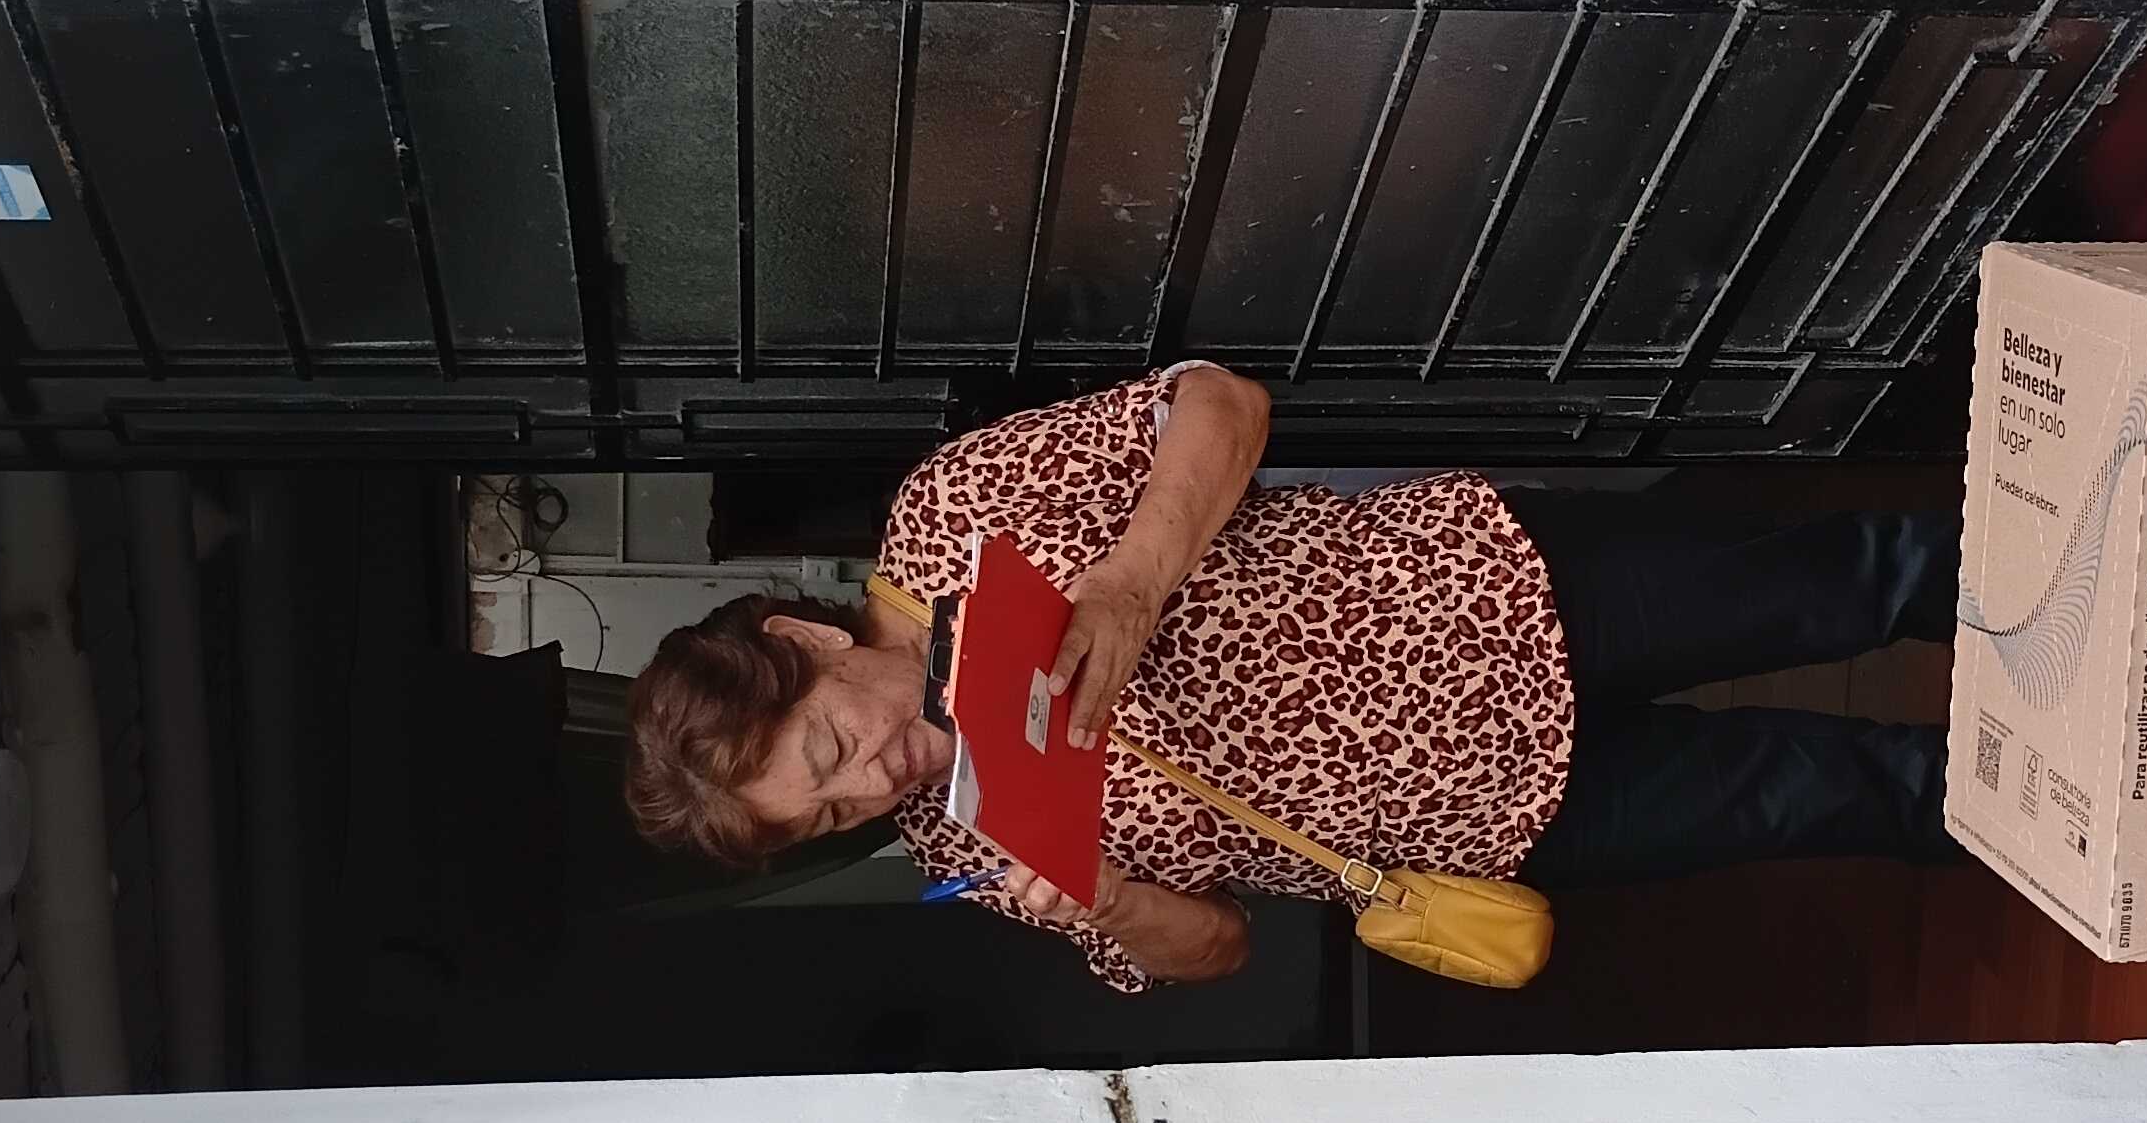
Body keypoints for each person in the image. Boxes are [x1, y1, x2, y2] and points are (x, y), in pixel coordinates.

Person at [621, 364, 1959, 990]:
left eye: (829, 751)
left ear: (805, 645)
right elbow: (1220, 947)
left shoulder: (954, 515)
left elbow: (1223, 403)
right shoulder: (971, 845)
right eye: (834, 814)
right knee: (1866, 799)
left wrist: (1130, 585)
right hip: (1490, 822)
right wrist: (1108, 896)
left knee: (1868, 579)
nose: (874, 781)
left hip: (1498, 588)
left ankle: (2089, 586)